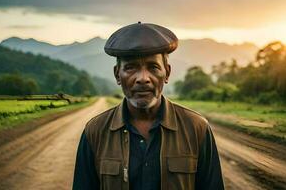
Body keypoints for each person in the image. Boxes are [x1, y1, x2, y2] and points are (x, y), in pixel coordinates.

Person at [73, 22, 224, 190]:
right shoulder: (95, 131)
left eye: (153, 67)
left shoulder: (197, 128)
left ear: (167, 72)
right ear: (117, 74)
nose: (143, 78)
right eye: (131, 68)